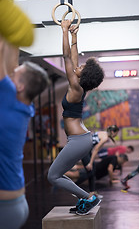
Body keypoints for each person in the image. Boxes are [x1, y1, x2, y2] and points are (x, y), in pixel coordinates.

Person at [47, 20, 104, 216]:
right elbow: (73, 57)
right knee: (58, 174)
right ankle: (84, 200)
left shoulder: (76, 87)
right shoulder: (80, 86)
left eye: (81, 68)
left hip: (79, 141)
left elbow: (66, 58)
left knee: (52, 176)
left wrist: (63, 30)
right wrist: (74, 36)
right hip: (81, 139)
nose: (77, 67)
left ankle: (89, 197)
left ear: (83, 75)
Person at [0, 38, 49, 229]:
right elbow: (12, 63)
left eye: (14, 76)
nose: (10, 75)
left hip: (4, 207)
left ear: (20, 87)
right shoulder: (23, 105)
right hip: (15, 202)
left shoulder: (7, 98)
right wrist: (13, 33)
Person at [80, 125, 119, 193]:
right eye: (116, 133)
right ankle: (75, 187)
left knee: (93, 170)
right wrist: (90, 163)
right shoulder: (105, 138)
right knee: (90, 172)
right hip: (84, 150)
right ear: (112, 132)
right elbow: (96, 149)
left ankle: (93, 192)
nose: (116, 135)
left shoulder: (103, 133)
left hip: (86, 149)